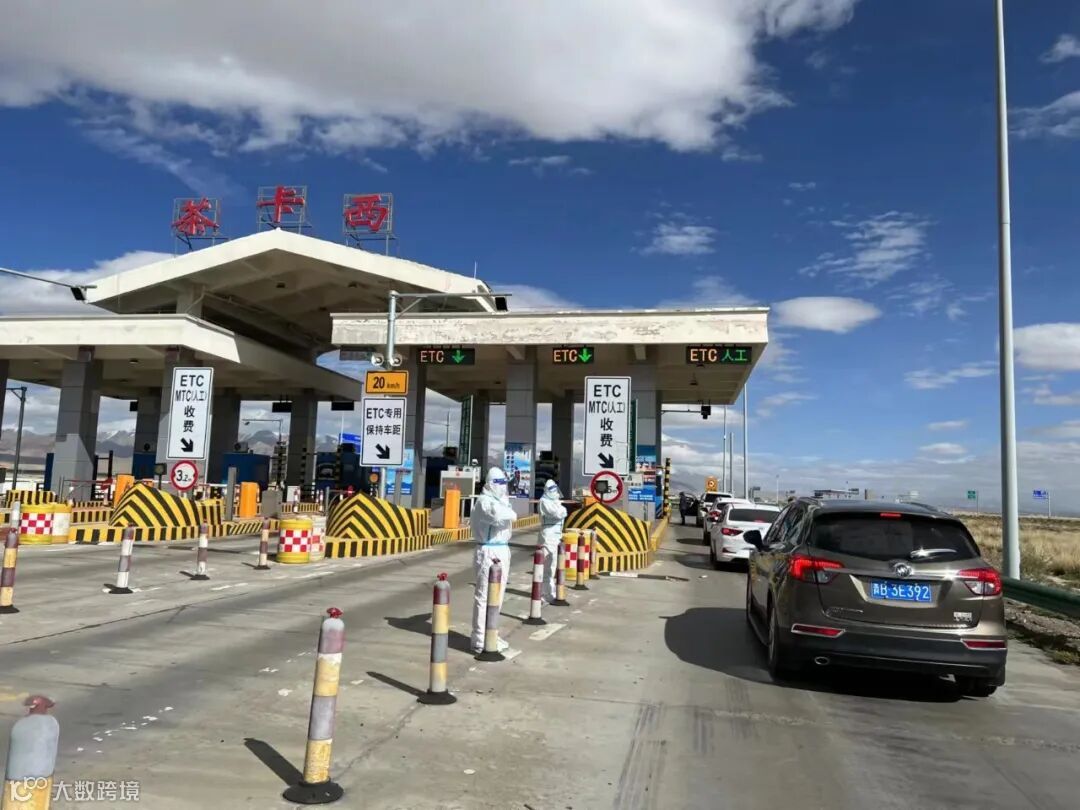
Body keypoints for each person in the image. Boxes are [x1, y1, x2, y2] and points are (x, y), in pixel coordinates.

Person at [470, 467, 517, 653]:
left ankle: (491, 633)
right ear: (490, 484)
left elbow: (508, 514)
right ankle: (480, 638)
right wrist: (508, 511)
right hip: (489, 551)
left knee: (497, 596)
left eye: (504, 482)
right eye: (499, 483)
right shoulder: (484, 502)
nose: (503, 486)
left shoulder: (499, 501)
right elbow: (499, 516)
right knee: (484, 595)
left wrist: (506, 508)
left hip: (501, 549)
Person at [538, 479, 567, 603]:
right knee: (546, 567)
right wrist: (561, 510)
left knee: (552, 567)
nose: (555, 493)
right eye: (553, 490)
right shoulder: (544, 502)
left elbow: (562, 511)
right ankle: (544, 593)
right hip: (548, 537)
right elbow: (557, 513)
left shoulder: (555, 502)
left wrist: (561, 510)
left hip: (555, 537)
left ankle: (550, 592)